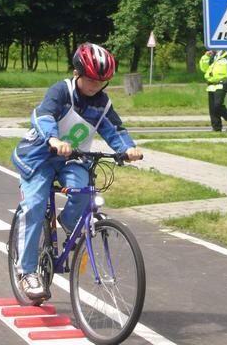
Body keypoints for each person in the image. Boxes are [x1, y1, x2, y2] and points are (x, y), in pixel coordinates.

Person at [11, 43, 143, 300]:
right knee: (35, 206)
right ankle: (27, 272)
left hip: (73, 159)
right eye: (91, 79)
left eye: (101, 81)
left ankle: (69, 221)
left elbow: (114, 129)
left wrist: (128, 149)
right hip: (39, 157)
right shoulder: (61, 91)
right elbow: (44, 116)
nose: (95, 86)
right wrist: (53, 140)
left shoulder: (102, 103)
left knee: (85, 193)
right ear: (76, 72)